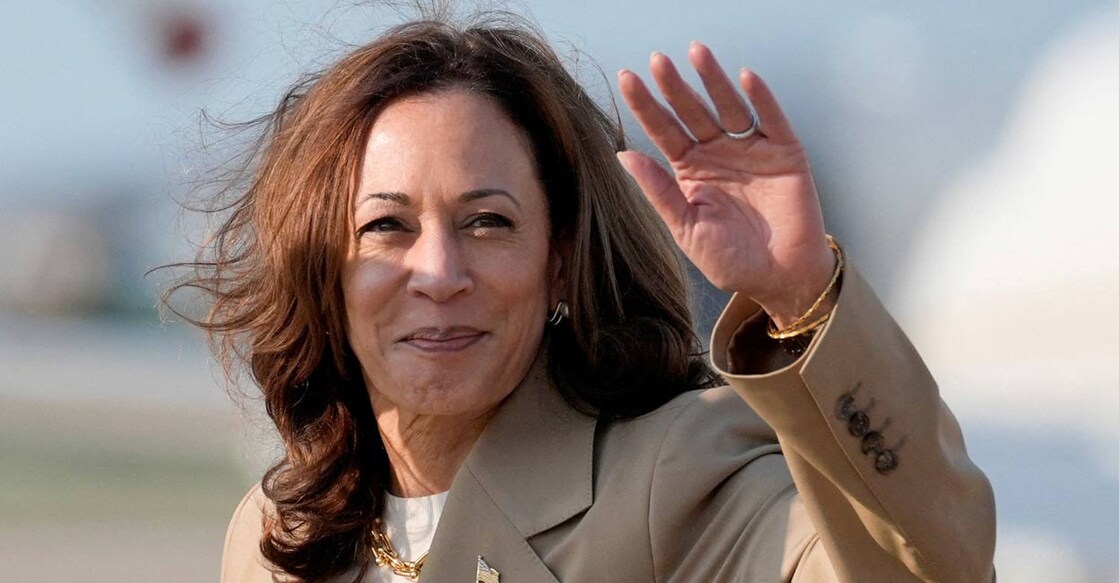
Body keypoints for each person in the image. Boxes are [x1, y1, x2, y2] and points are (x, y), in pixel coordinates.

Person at [181, 13, 995, 583]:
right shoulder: (272, 535)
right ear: (323, 267)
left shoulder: (672, 475)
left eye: (488, 222)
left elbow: (928, 572)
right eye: (387, 226)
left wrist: (803, 296)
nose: (438, 271)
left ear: (560, 260)